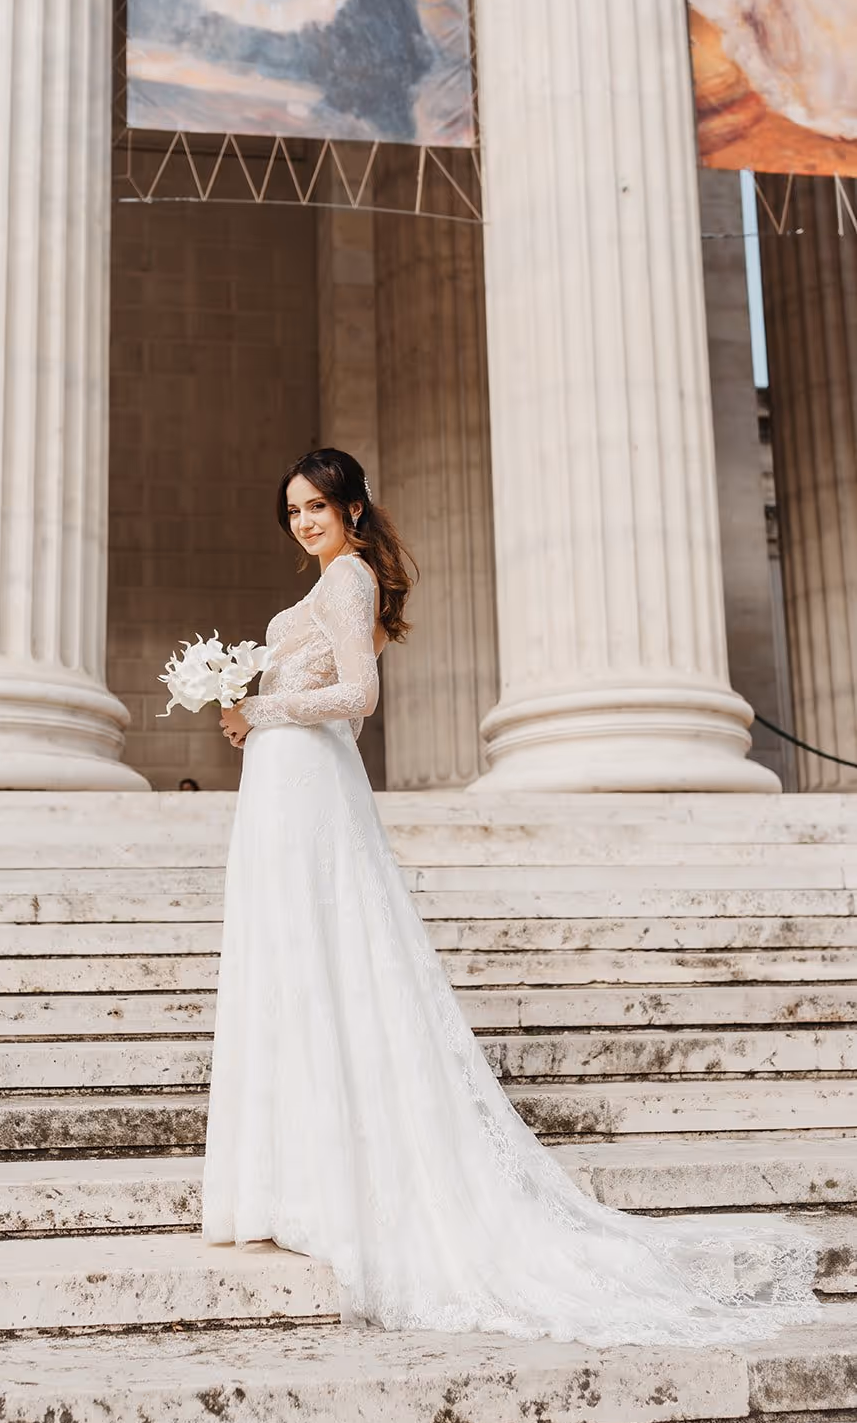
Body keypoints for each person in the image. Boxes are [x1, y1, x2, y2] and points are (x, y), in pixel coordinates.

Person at [201, 446, 821, 1345]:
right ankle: (293, 1176)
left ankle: (319, 1185)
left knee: (319, 959)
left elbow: (358, 695)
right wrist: (247, 709)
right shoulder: (332, 582)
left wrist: (258, 710)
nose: (302, 520)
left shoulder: (347, 583)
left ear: (353, 513)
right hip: (287, 786)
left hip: (308, 782)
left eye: (318, 507)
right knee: (293, 964)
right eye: (292, 508)